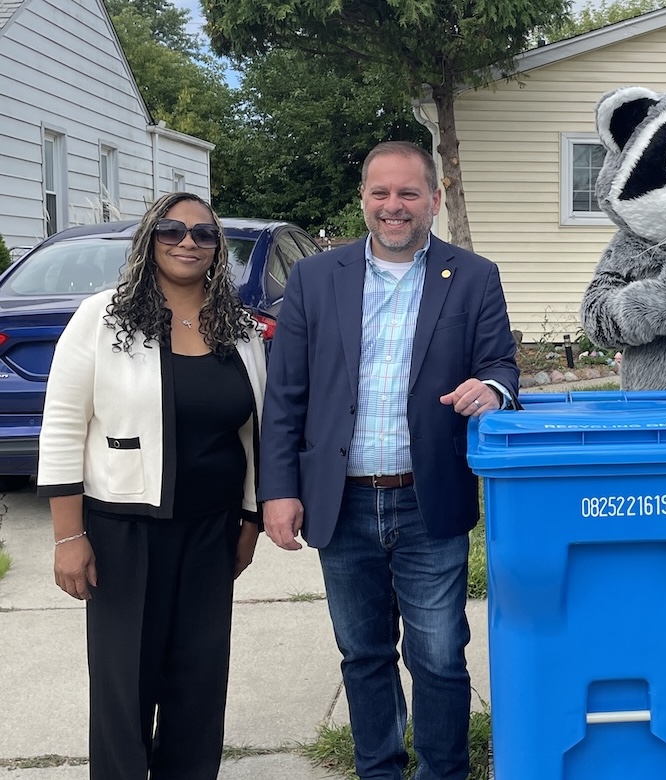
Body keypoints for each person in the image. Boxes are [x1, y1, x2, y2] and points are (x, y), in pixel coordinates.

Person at [258, 141, 518, 780]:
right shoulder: (316, 278)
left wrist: (493, 390)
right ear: (364, 200)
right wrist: (278, 489)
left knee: (438, 654)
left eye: (408, 193)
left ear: (433, 198)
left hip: (427, 496)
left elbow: (501, 364)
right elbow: (286, 394)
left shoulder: (474, 276)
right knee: (363, 652)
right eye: (381, 193)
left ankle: (442, 770)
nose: (394, 206)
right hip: (340, 498)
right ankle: (379, 769)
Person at [38, 192, 266, 780]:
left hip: (212, 532)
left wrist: (250, 520)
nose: (187, 241)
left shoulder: (239, 329)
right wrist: (69, 537)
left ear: (218, 250)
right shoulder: (103, 317)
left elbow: (254, 432)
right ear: (149, 238)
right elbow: (63, 425)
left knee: (198, 688)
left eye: (203, 233)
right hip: (123, 534)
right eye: (172, 228)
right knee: (125, 692)